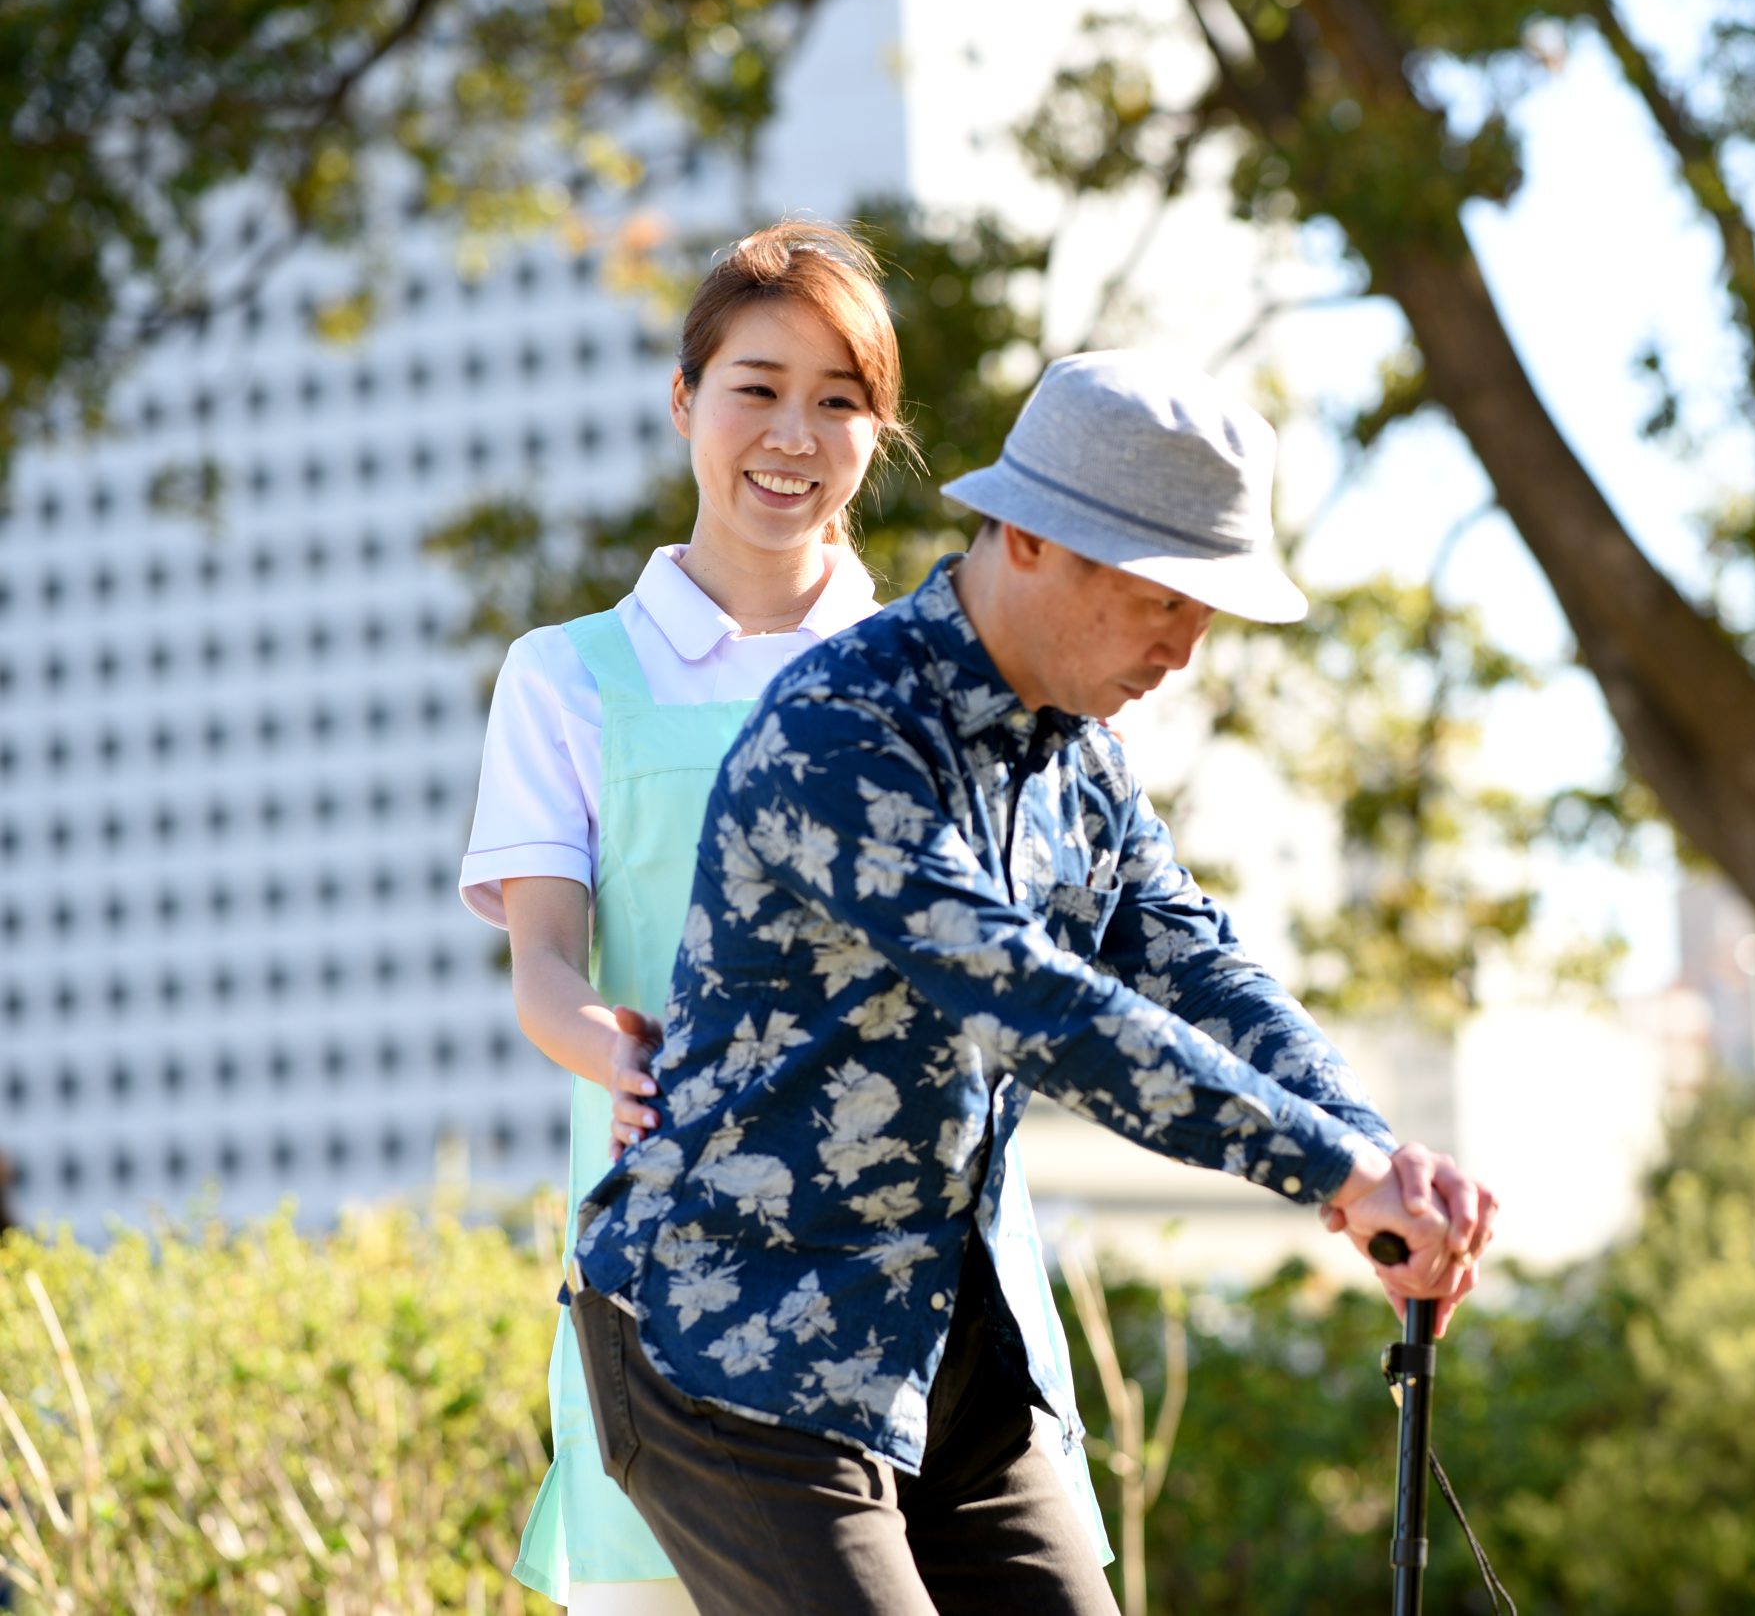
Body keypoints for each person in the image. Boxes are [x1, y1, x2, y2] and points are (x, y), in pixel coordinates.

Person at [568, 349, 1500, 1612]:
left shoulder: (1086, 761)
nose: (1189, 641)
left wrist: (1371, 1150)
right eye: (1162, 594)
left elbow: (1195, 964)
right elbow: (1038, 1005)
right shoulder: (841, 731)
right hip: (734, 1337)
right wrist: (1332, 1172)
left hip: (949, 1345)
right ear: (1027, 538)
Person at [456, 223, 1109, 1613]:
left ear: (882, 431)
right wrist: (644, 1063)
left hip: (947, 1296)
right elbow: (546, 973)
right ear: (685, 401)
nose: (793, 434)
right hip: (698, 1292)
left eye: (839, 397)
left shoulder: (951, 672)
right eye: (755, 386)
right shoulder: (569, 676)